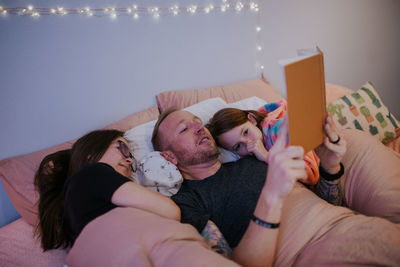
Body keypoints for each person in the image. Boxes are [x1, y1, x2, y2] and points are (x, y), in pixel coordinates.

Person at [151, 107, 400, 266]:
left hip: (350, 223)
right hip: (305, 254)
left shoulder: (253, 158)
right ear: (169, 157)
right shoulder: (187, 201)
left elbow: (329, 202)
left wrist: (330, 167)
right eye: (184, 128)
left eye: (197, 121)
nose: (198, 127)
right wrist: (270, 196)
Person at [34, 129, 180, 251]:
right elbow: (170, 212)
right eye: (122, 148)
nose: (129, 161)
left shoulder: (76, 202)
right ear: (90, 152)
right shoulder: (93, 173)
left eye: (131, 158)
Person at [206, 101, 343, 205]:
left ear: (252, 120)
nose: (247, 142)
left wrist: (266, 156)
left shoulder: (276, 130)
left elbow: (311, 175)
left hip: (329, 177)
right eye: (238, 146)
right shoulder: (253, 151)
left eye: (246, 132)